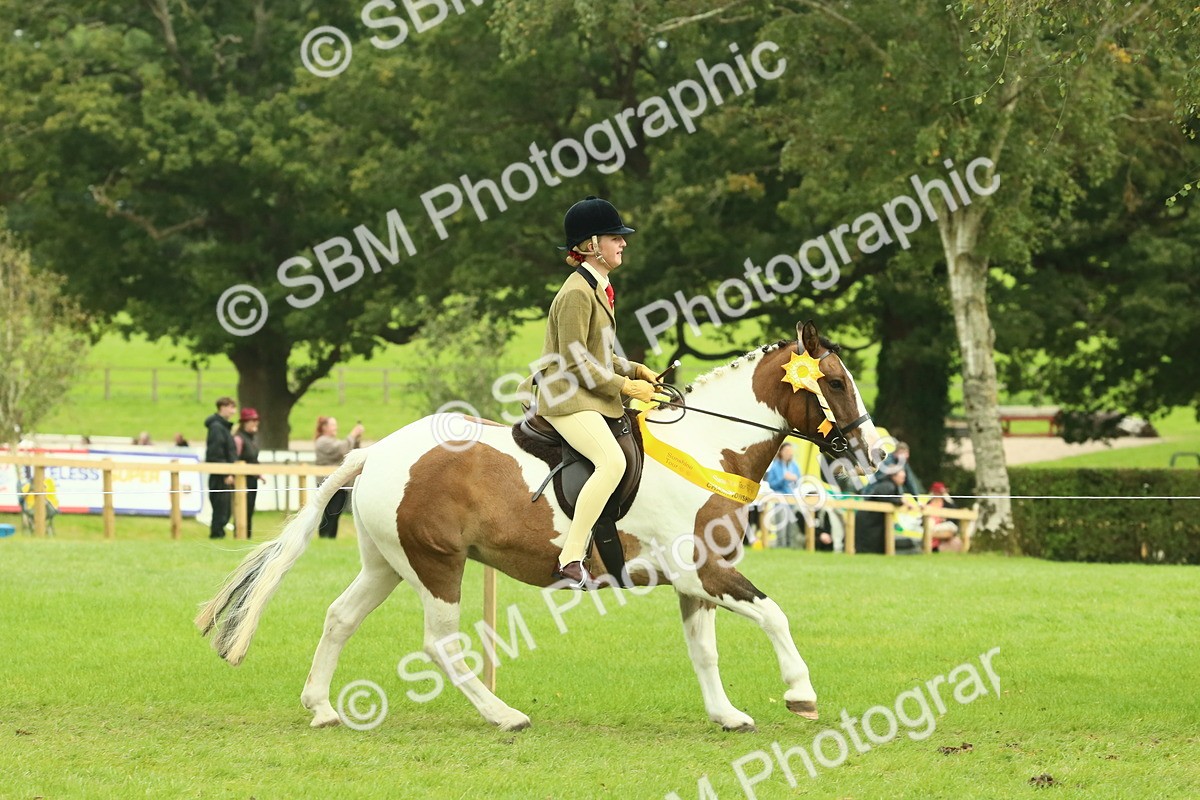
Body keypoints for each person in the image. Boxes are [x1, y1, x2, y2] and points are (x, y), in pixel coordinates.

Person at [519, 196, 667, 588]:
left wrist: (635, 369)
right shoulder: (575, 293)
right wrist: (623, 385)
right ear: (590, 245)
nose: (623, 244)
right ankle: (570, 558)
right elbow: (573, 361)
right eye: (615, 238)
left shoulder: (597, 287)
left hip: (584, 392)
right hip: (566, 396)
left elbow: (597, 353)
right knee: (612, 462)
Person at [315, 416, 364, 539]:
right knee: (330, 514)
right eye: (332, 425)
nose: (335, 427)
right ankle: (325, 537)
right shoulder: (322, 441)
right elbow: (341, 449)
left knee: (335, 514)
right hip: (328, 483)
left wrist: (356, 439)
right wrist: (352, 435)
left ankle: (329, 538)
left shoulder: (333, 441)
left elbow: (350, 451)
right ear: (324, 427)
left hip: (340, 484)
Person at [854, 467, 921, 554]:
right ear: (894, 476)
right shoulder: (887, 485)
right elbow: (882, 497)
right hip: (868, 519)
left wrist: (903, 502)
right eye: (902, 477)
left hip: (872, 520)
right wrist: (900, 501)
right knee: (867, 548)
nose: (904, 480)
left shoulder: (890, 485)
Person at [204, 397, 238, 539]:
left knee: (225, 508)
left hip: (224, 472)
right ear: (222, 407)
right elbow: (216, 453)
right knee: (221, 509)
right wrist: (226, 473)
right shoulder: (217, 428)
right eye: (230, 407)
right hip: (220, 474)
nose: (233, 411)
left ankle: (219, 534)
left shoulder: (222, 427)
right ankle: (216, 535)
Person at [764, 443, 802, 547]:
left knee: (791, 524)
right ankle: (780, 545)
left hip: (792, 498)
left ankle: (790, 546)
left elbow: (798, 481)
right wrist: (783, 478)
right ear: (781, 452)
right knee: (781, 524)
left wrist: (795, 479)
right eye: (786, 451)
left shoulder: (794, 465)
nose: (789, 453)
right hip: (779, 499)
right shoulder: (775, 465)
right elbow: (771, 483)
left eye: (790, 451)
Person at [233, 408, 264, 539]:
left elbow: (253, 459)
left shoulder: (251, 439)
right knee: (242, 509)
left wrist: (259, 474)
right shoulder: (239, 439)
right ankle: (240, 536)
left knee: (250, 509)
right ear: (245, 422)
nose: (256, 423)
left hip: (252, 479)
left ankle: (247, 537)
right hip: (242, 480)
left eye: (256, 420)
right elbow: (235, 459)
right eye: (253, 421)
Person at [926, 481, 963, 552]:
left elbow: (953, 518)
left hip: (943, 526)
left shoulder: (948, 504)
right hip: (932, 527)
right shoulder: (929, 503)